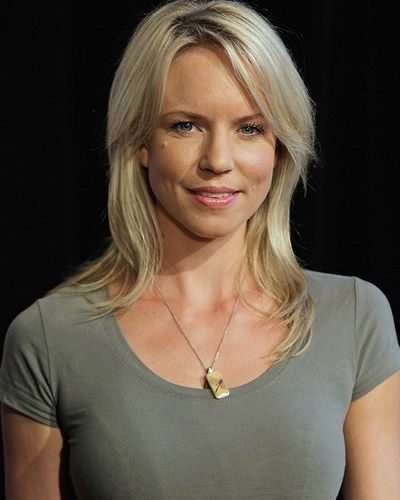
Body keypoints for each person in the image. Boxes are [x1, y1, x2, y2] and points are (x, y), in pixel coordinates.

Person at [1, 0, 400, 498]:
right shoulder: (50, 339)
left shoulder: (355, 318)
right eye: (185, 125)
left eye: (250, 128)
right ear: (141, 140)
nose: (218, 160)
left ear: (279, 148)